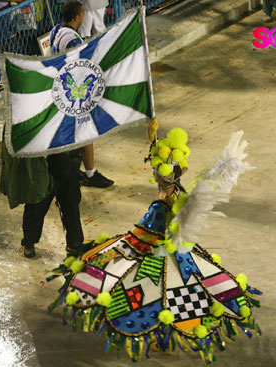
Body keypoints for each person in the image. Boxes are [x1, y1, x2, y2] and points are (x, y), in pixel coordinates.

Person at [47, 128, 261, 362]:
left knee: (155, 299)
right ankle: (165, 337)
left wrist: (126, 245)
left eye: (156, 171)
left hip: (155, 256)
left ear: (163, 176)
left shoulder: (163, 202)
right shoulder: (177, 193)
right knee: (170, 300)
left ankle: (161, 338)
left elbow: (149, 231)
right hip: (173, 254)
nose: (153, 173)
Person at [49, 0, 114, 188]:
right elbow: (80, 66)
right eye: (83, 14)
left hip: (62, 90)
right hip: (74, 94)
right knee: (87, 132)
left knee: (74, 135)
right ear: (77, 16)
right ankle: (91, 174)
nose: (84, 16)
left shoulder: (57, 31)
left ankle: (74, 169)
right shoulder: (73, 39)